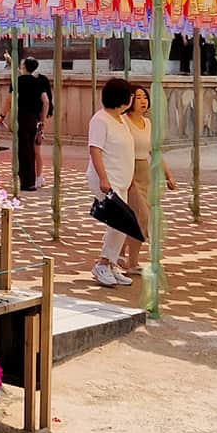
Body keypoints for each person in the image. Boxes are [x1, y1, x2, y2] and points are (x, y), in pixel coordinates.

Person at [122, 83, 176, 271]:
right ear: (129, 100)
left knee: (139, 218)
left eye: (145, 97)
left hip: (145, 173)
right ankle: (125, 258)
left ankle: (125, 256)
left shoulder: (148, 123)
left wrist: (168, 175)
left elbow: (155, 151)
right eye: (138, 98)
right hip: (129, 171)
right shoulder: (123, 121)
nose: (143, 101)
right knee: (140, 216)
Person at [87, 78, 135, 288]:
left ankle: (111, 263)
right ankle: (102, 264)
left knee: (121, 226)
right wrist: (104, 178)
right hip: (107, 179)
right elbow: (95, 149)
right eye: (130, 95)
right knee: (119, 223)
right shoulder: (100, 120)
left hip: (122, 179)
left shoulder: (121, 119)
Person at [0, 56, 52, 191]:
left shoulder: (17, 81)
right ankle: (30, 180)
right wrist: (42, 120)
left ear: (24, 67)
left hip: (20, 117)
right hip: (33, 119)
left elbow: (8, 100)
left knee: (23, 150)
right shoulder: (38, 82)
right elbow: (45, 101)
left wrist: (2, 116)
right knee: (31, 150)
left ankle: (25, 182)